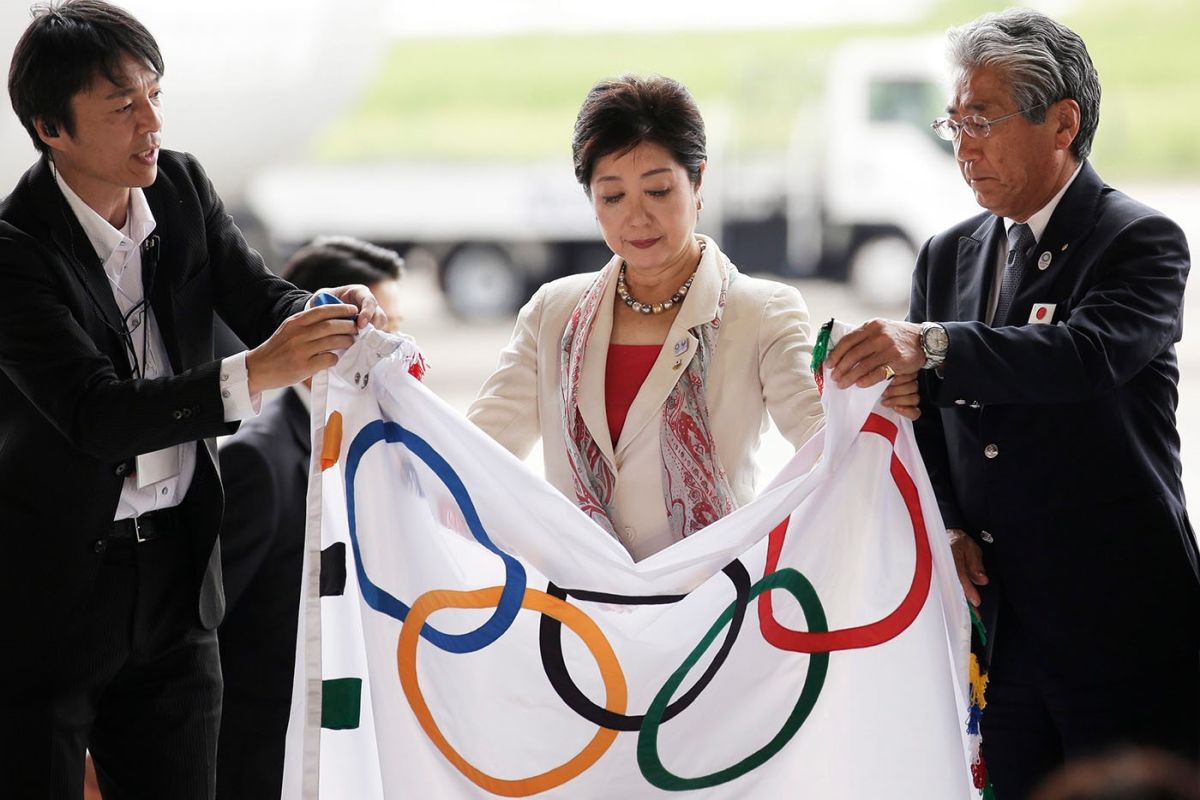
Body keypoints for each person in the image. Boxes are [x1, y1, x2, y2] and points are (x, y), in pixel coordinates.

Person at [0, 3, 385, 798]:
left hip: (178, 579)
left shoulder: (180, 185)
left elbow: (258, 297)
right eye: (121, 106)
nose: (150, 122)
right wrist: (256, 373)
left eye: (154, 94)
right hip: (53, 594)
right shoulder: (13, 252)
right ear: (50, 128)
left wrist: (320, 313)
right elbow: (95, 414)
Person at [825, 9, 1200, 798]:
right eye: (954, 121)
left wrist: (927, 346)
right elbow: (922, 412)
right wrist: (950, 519)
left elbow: (1082, 356)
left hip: (1123, 624)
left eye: (983, 120)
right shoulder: (949, 251)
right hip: (999, 623)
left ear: (1062, 122)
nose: (963, 145)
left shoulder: (1139, 240)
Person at [468, 74, 919, 561]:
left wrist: (873, 397)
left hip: (715, 608)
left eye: (659, 191)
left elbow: (825, 445)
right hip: (581, 606)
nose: (637, 218)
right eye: (613, 197)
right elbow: (472, 452)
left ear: (699, 180)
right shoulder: (553, 313)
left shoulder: (761, 311)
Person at [216, 237, 404, 800]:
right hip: (263, 758)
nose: (393, 348)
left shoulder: (367, 445)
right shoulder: (259, 459)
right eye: (379, 329)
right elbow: (205, 627)